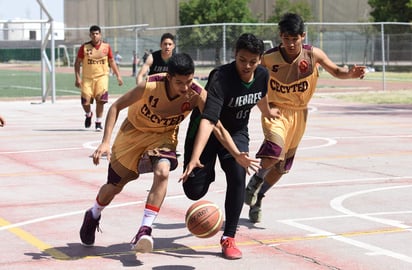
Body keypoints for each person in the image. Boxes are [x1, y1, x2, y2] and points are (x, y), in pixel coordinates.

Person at [79, 53, 246, 254]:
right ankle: (94, 213)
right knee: (114, 187)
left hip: (164, 136)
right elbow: (115, 107)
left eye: (189, 81)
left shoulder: (196, 93)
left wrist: (236, 153)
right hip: (133, 133)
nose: (185, 87)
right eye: (179, 82)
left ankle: (145, 230)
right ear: (169, 77)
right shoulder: (149, 85)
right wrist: (105, 142)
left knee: (163, 171)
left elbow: (215, 125)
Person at [244, 13, 366, 223]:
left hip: (300, 113)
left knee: (282, 167)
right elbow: (250, 78)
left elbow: (336, 71)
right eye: (286, 38)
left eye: (295, 39)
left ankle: (259, 197)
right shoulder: (269, 58)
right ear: (280, 37)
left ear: (303, 36)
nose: (290, 43)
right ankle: (255, 181)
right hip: (276, 110)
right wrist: (262, 107)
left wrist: (350, 74)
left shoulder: (313, 55)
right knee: (274, 150)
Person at [179, 33, 280, 260]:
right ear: (234, 55)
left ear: (259, 60)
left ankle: (229, 237)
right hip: (206, 131)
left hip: (236, 133)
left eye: (252, 61)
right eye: (242, 59)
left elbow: (260, 95)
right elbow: (209, 120)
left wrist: (266, 111)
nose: (246, 65)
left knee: (237, 174)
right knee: (193, 191)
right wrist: (196, 158)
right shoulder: (221, 78)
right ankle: (208, 170)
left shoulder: (262, 75)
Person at [74, 25, 123, 131]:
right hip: (87, 78)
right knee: (85, 102)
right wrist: (77, 77)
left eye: (97, 34)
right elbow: (77, 63)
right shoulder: (85, 47)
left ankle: (98, 122)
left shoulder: (106, 47)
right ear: (90, 35)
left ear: (100, 35)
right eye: (93, 34)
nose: (95, 36)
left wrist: (118, 75)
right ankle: (88, 114)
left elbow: (112, 62)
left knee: (101, 100)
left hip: (102, 77)